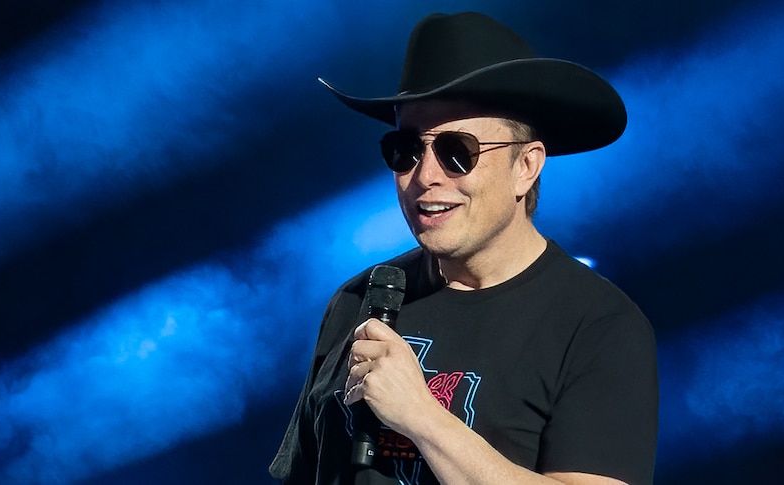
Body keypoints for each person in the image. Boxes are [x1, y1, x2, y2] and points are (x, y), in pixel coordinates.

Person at [270, 11, 658, 485]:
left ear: (526, 166)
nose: (425, 176)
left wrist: (421, 416)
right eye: (405, 148)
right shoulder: (361, 299)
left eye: (458, 151)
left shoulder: (597, 326)